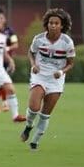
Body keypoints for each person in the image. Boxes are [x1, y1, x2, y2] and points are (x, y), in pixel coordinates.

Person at [20, 8, 76, 150]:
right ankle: (28, 126)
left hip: (56, 80)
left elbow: (71, 63)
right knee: (34, 108)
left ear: (62, 25)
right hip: (40, 76)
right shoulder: (39, 39)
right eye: (51, 22)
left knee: (45, 113)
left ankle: (35, 142)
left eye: (56, 23)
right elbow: (31, 53)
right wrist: (33, 65)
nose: (53, 25)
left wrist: (61, 72)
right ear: (47, 24)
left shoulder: (67, 42)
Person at [0, 8, 19, 113]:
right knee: (2, 83)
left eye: (2, 18)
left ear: (4, 19)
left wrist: (7, 48)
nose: (0, 20)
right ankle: (4, 103)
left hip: (7, 60)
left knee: (2, 83)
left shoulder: (9, 31)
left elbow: (16, 44)